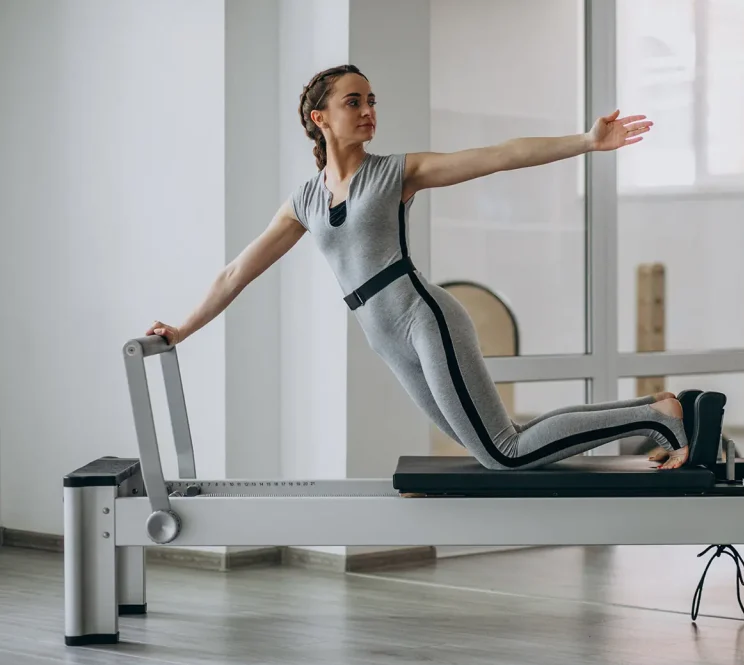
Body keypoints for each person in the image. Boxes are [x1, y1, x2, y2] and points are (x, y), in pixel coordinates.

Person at [146, 64, 691, 471]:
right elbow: (236, 271)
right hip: (386, 338)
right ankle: (652, 407)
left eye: (371, 100)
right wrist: (183, 329)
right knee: (501, 442)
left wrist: (587, 142)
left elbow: (500, 154)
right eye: (353, 102)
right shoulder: (305, 201)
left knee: (504, 454)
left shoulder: (395, 174)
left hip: (422, 319)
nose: (368, 111)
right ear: (320, 119)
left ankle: (656, 419)